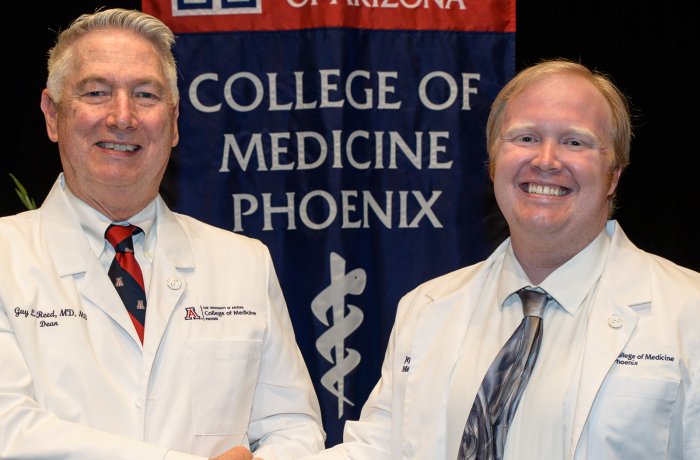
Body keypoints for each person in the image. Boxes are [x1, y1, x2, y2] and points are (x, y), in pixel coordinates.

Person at [301, 59, 700, 459]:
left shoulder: (687, 310)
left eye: (574, 142)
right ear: (493, 162)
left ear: (613, 173)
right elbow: (380, 448)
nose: (546, 160)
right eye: (525, 138)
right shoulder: (426, 307)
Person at [0, 8, 325, 460]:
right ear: (52, 115)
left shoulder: (243, 263)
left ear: (173, 122)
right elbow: (10, 430)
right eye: (96, 92)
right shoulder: (6, 258)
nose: (122, 116)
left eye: (145, 95)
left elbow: (293, 426)